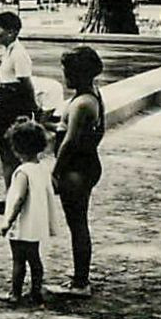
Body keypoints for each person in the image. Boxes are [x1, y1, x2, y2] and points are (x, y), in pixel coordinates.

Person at [47, 46, 106, 298]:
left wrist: (55, 171)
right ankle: (80, 276)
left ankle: (81, 282)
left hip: (77, 167)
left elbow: (70, 141)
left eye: (68, 72)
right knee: (77, 222)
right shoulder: (92, 95)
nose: (65, 77)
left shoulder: (82, 103)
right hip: (85, 163)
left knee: (77, 223)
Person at [0, 118, 66, 307]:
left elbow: (19, 199)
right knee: (35, 259)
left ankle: (15, 293)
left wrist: (7, 222)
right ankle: (36, 291)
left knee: (18, 261)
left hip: (22, 225)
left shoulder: (22, 172)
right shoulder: (42, 169)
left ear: (16, 148)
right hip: (36, 223)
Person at [0, 10, 39, 205]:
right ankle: (9, 192)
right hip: (5, 99)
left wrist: (33, 106)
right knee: (4, 149)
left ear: (11, 32)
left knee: (14, 148)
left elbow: (25, 83)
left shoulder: (19, 54)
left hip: (14, 101)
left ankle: (18, 192)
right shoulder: (7, 51)